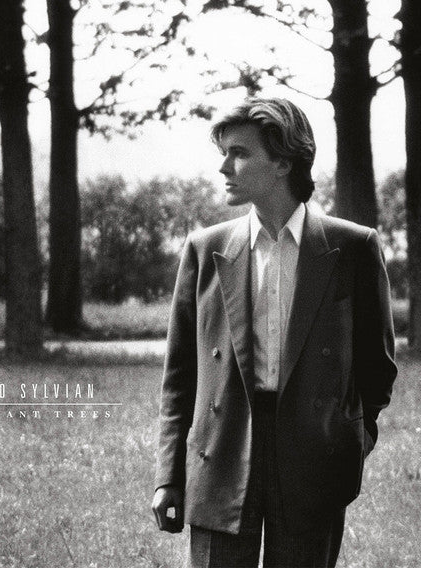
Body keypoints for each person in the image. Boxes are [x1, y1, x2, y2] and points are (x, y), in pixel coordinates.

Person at [151, 97, 397, 568]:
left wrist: (352, 440)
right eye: (224, 152)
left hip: (314, 457)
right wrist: (168, 476)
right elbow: (179, 379)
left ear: (284, 161)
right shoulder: (204, 249)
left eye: (239, 153)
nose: (225, 166)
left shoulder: (353, 247)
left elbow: (377, 367)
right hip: (220, 452)